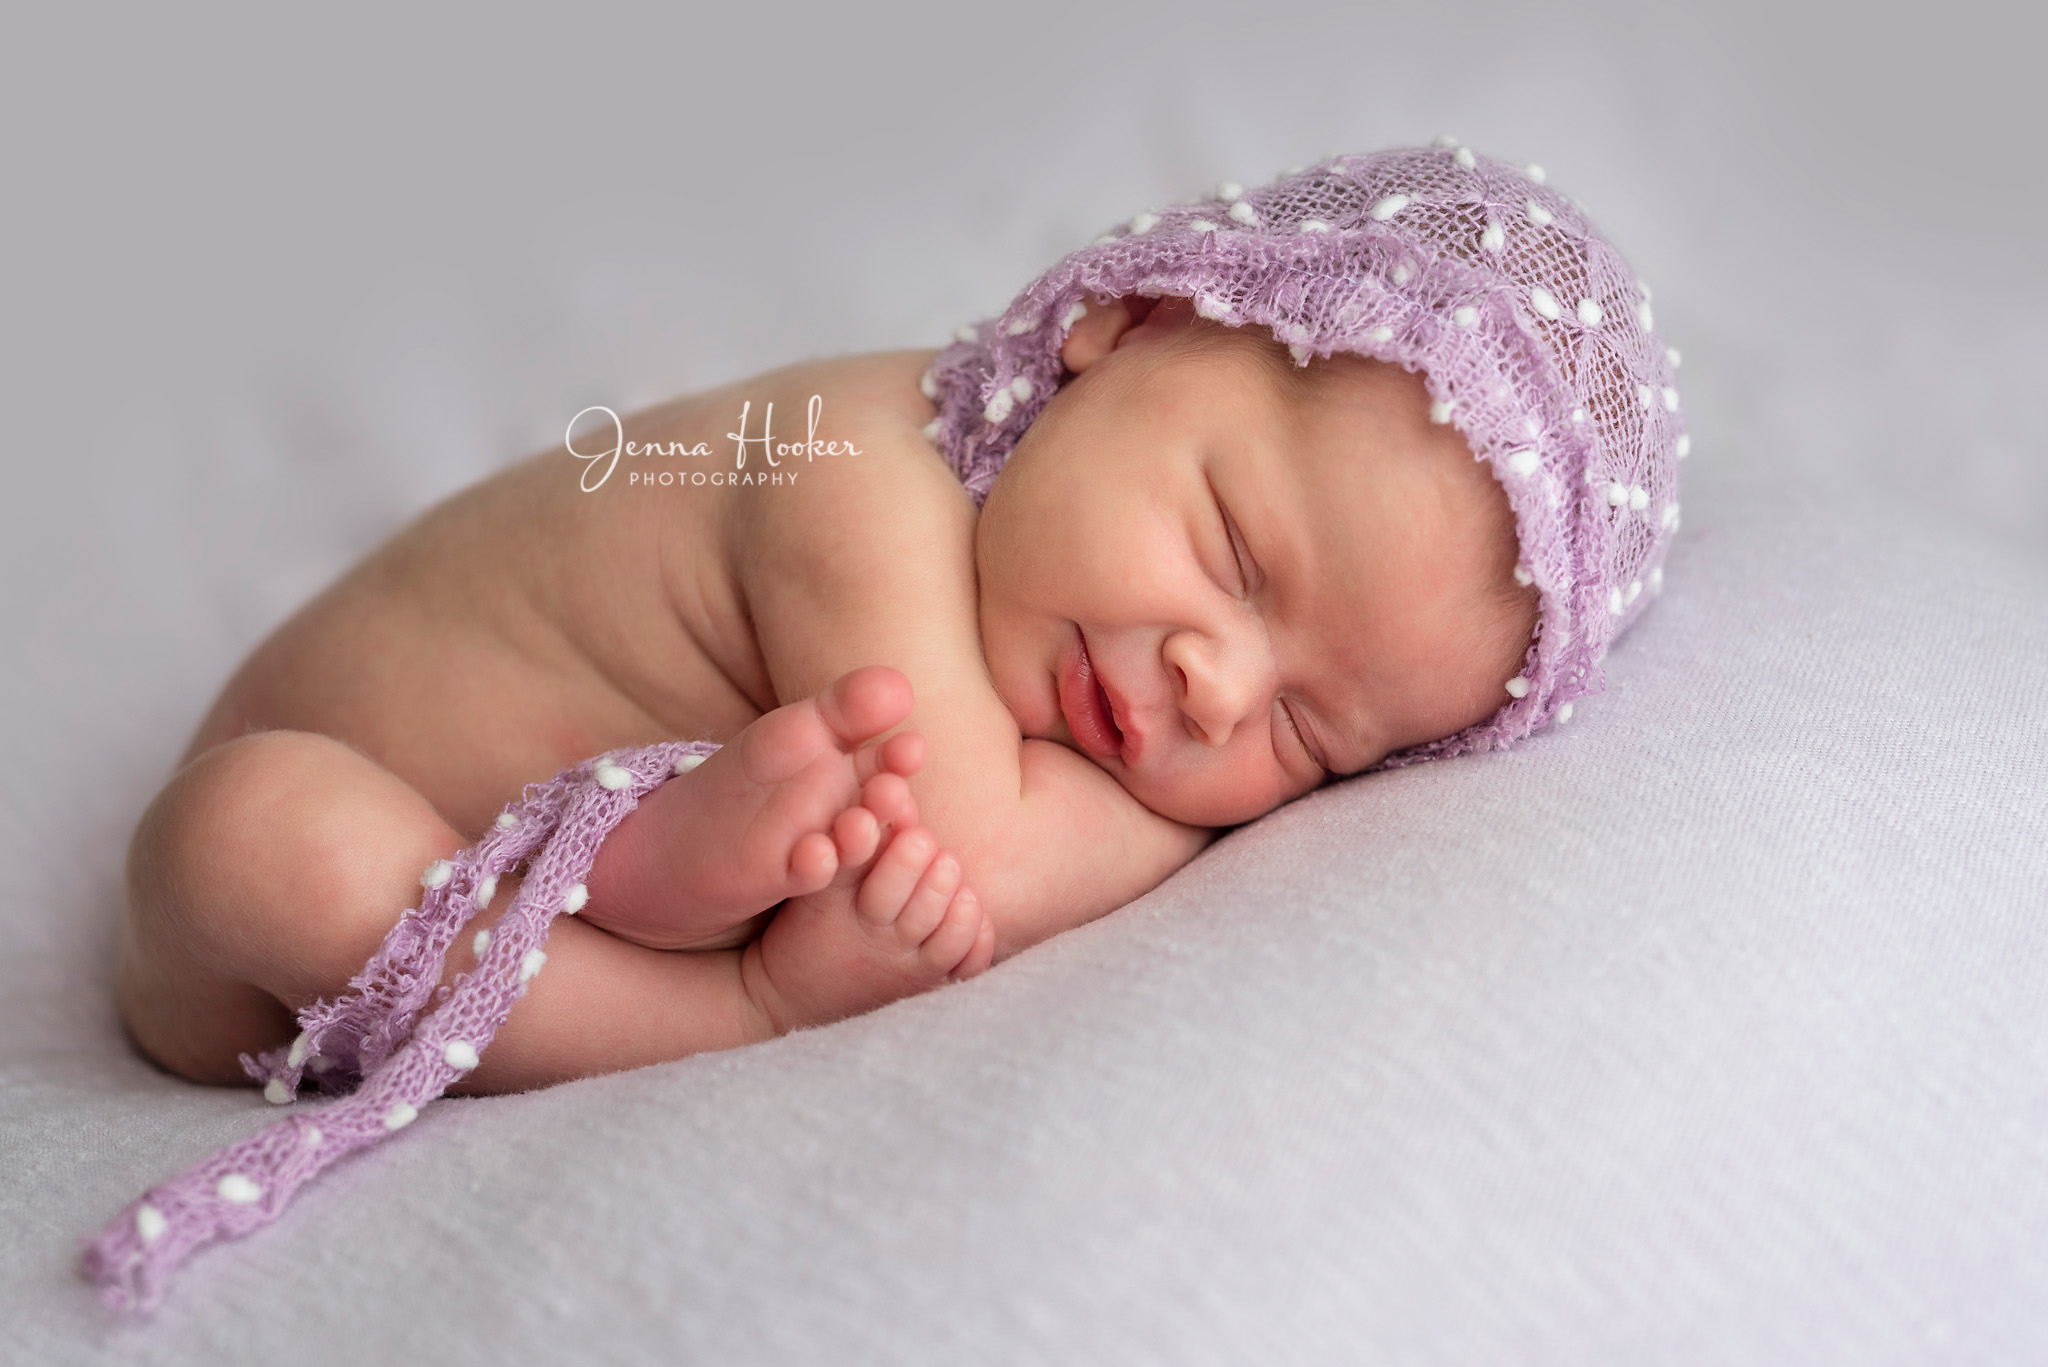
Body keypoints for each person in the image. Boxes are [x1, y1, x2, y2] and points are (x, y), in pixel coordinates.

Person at [89, 142, 1684, 1309]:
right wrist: (1162, 822)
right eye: (1233, 553)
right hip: (257, 939)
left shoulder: (1047, 610)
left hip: (530, 873)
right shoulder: (866, 477)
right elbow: (968, 851)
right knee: (264, 837)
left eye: (1314, 735)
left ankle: (651, 879)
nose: (1217, 683)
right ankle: (720, 1020)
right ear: (1120, 330)